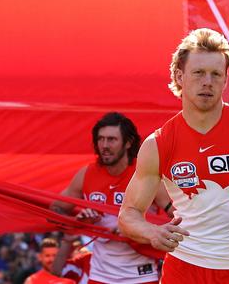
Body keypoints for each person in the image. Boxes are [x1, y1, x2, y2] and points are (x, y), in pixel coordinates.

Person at [118, 28, 229, 283]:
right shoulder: (159, 143)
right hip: (184, 266)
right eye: (199, 73)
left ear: (226, 80)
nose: (208, 81)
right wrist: (151, 232)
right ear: (180, 76)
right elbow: (128, 214)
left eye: (216, 74)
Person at [51, 112, 173, 284]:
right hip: (100, 275)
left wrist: (134, 228)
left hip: (142, 275)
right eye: (100, 139)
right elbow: (55, 209)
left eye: (111, 139)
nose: (104, 145)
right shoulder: (87, 174)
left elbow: (177, 217)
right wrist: (79, 223)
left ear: (128, 143)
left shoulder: (146, 173)